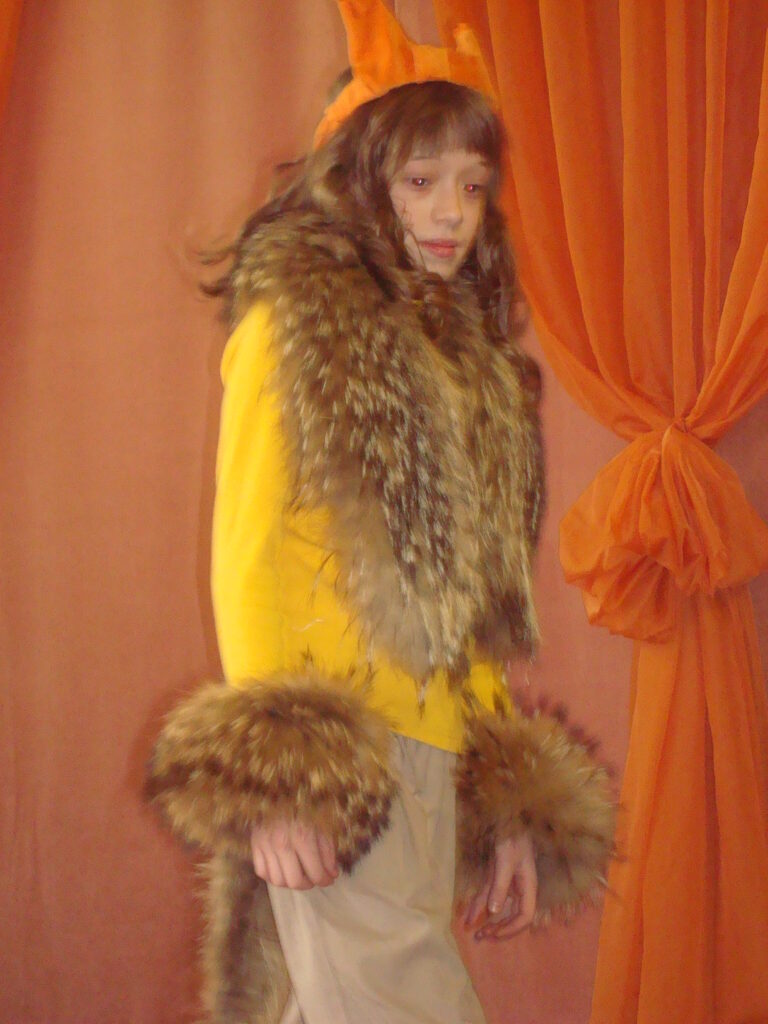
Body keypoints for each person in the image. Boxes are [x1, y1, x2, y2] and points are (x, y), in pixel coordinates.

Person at [146, 4, 615, 1023]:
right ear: (358, 179)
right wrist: (279, 779)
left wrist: (504, 798)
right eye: (420, 181)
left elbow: (471, 608)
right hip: (346, 762)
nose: (452, 213)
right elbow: (251, 556)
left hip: (427, 761)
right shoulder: (298, 326)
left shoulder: (463, 363)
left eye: (473, 186)